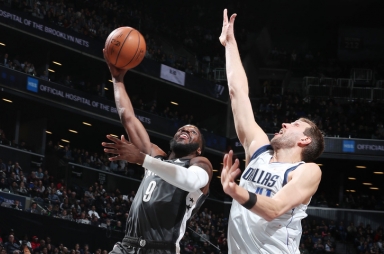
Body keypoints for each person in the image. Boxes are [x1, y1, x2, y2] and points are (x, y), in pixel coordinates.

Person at [218, 9, 325, 254]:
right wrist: (230, 45)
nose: (286, 123)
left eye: (295, 124)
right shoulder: (259, 150)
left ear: (305, 140)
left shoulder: (307, 171)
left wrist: (235, 190)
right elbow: (238, 94)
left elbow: (275, 208)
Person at [101, 49, 213, 254]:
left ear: (198, 149)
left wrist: (142, 159)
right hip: (126, 246)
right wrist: (117, 80)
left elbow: (190, 181)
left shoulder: (200, 163)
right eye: (182, 128)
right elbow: (129, 120)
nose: (185, 130)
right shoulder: (156, 156)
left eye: (193, 131)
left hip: (160, 249)